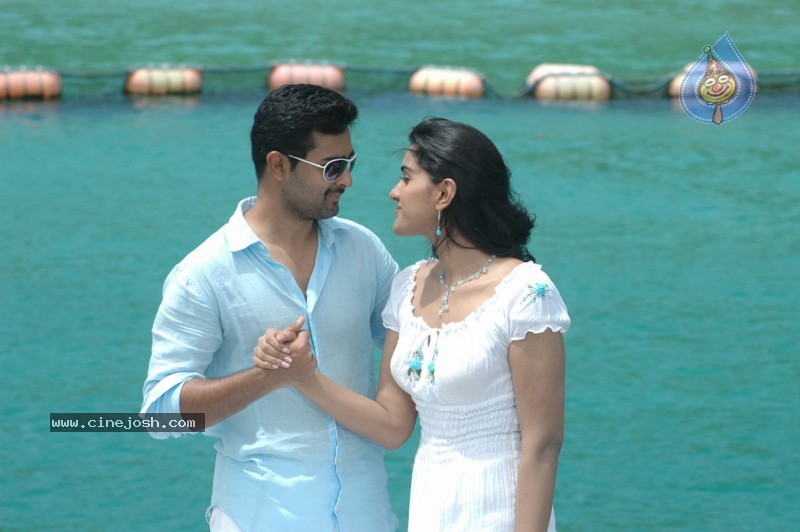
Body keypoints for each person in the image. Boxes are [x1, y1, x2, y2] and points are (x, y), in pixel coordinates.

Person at [256, 117, 571, 531]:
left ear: (444, 193)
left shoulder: (526, 294)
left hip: (501, 510)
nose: (394, 191)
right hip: (431, 509)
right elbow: (392, 426)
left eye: (406, 178)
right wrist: (302, 375)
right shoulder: (408, 286)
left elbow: (543, 445)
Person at [140, 84, 400, 532]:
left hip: (368, 517)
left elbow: (416, 345)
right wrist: (267, 377)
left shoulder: (365, 250)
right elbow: (160, 414)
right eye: (333, 167)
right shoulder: (203, 274)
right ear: (279, 165)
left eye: (350, 164)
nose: (347, 181)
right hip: (259, 517)